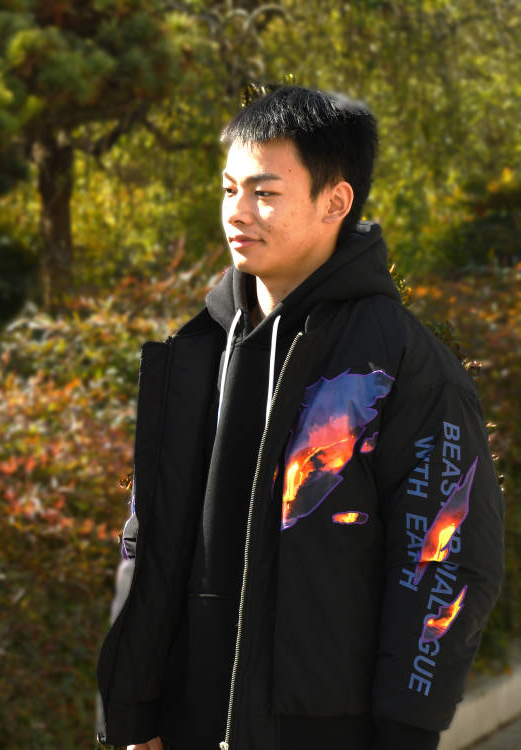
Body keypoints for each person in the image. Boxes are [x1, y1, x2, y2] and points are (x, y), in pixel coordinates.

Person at [95, 86, 504, 750]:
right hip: (185, 718)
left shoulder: (398, 362)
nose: (237, 212)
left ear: (334, 202)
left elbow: (446, 557)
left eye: (264, 192)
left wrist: (405, 732)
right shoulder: (196, 349)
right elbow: (149, 538)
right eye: (228, 189)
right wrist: (133, 710)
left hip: (324, 729)